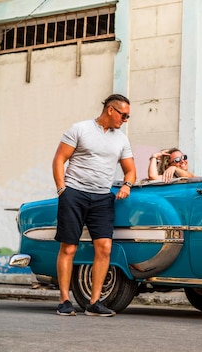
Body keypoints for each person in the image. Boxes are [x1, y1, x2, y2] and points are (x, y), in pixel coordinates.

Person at [52, 94, 136, 317]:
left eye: (128, 116)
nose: (125, 120)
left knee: (104, 248)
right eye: (123, 115)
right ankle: (64, 300)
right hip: (75, 194)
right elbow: (59, 159)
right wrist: (62, 190)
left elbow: (130, 169)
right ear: (110, 110)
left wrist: (127, 185)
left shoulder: (121, 139)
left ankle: (94, 302)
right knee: (69, 247)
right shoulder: (80, 129)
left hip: (102, 197)